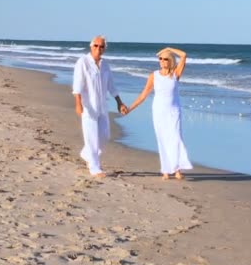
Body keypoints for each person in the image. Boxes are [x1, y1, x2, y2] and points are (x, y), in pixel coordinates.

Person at [127, 47, 193, 180]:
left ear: (171, 61)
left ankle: (177, 169)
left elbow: (184, 55)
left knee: (175, 138)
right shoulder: (154, 75)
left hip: (174, 112)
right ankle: (166, 171)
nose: (162, 61)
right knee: (162, 140)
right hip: (159, 112)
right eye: (160, 59)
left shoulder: (175, 74)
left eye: (165, 59)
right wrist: (129, 108)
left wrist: (169, 49)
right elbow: (143, 95)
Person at [72, 35, 128, 178]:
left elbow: (111, 86)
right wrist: (78, 104)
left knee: (104, 136)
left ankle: (87, 154)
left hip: (102, 106)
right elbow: (77, 85)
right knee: (91, 138)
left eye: (101, 46)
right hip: (88, 107)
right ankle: (94, 167)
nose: (98, 48)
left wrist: (119, 102)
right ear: (91, 46)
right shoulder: (83, 62)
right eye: (96, 45)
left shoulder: (105, 65)